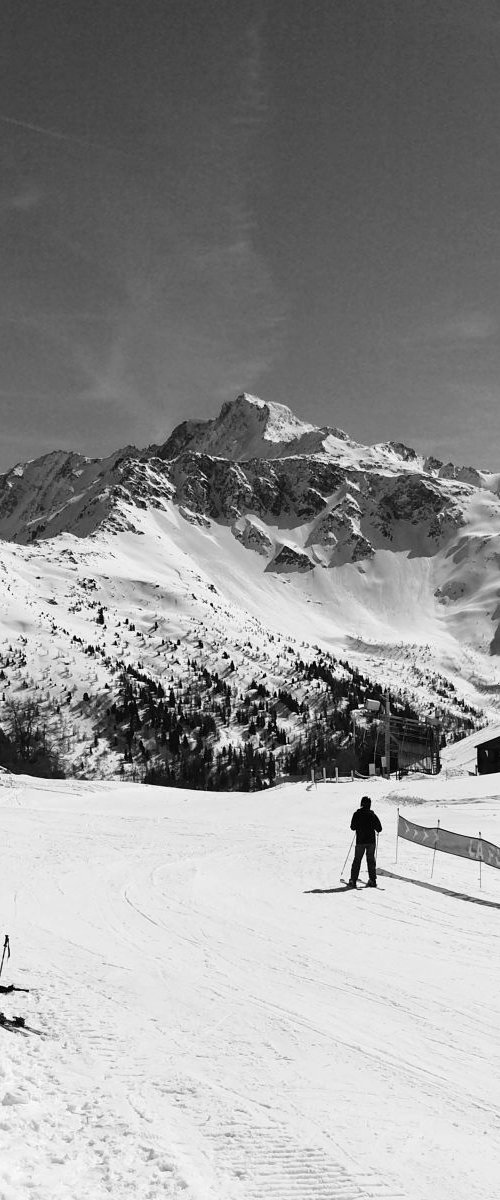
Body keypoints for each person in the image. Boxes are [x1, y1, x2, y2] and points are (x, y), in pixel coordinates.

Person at [348, 796, 382, 887]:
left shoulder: (357, 814)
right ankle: (372, 880)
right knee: (371, 860)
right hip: (371, 842)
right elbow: (379, 828)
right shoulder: (372, 815)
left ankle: (353, 880)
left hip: (360, 841)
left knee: (357, 860)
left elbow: (352, 827)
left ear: (361, 804)